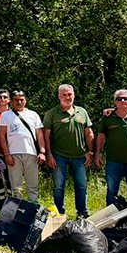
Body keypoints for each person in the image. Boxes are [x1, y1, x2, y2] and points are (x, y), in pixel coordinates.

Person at [43, 84, 94, 218]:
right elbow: (46, 135)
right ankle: (59, 213)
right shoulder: (51, 114)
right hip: (59, 155)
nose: (67, 97)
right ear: (59, 96)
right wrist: (48, 154)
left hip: (80, 155)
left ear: (74, 95)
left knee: (82, 185)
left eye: (69, 94)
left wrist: (91, 152)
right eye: (64, 95)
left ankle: (82, 212)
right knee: (59, 186)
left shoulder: (82, 111)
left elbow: (89, 133)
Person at [95, 89, 127, 207]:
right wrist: (97, 153)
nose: (122, 101)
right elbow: (101, 135)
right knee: (112, 192)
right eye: (119, 99)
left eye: (126, 99)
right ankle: (111, 220)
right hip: (113, 161)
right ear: (115, 102)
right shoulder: (108, 117)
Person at [0, 90, 46, 202]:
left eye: (22, 100)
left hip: (31, 153)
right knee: (16, 187)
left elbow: (40, 134)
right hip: (13, 154)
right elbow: (1, 136)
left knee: (33, 185)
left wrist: (42, 152)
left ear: (25, 100)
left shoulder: (33, 115)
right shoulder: (6, 115)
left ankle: (33, 208)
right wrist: (7, 154)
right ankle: (16, 211)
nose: (19, 102)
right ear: (11, 101)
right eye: (16, 100)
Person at [0, 88, 12, 207]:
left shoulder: (14, 114)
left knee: (11, 179)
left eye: (5, 97)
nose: (2, 99)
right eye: (0, 97)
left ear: (9, 99)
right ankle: (0, 204)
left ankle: (11, 204)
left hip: (11, 151)